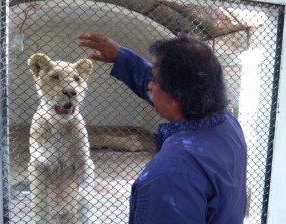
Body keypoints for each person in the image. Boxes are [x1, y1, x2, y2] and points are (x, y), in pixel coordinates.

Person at [78, 34, 247, 224]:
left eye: (154, 80)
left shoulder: (168, 176)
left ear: (176, 97)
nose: (149, 85)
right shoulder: (226, 123)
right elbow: (164, 85)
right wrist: (122, 57)